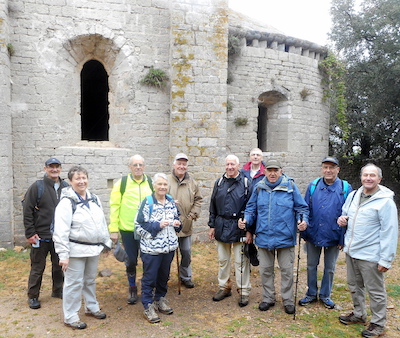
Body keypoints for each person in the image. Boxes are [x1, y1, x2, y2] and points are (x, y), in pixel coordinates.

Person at [239, 158, 308, 315]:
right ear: (265, 171)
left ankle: (288, 300)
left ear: (281, 171)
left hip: (285, 237)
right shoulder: (258, 187)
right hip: (264, 237)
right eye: (269, 170)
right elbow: (250, 209)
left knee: (287, 271)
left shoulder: (290, 186)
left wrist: (302, 220)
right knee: (265, 270)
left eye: (275, 170)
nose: (272, 173)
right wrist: (246, 219)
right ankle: (268, 298)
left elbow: (301, 208)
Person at [337, 163, 398, 337]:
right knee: (354, 285)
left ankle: (378, 323)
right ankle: (359, 314)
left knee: (375, 291)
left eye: (372, 175)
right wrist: (342, 220)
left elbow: (390, 231)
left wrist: (386, 259)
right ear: (361, 177)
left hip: (371, 255)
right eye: (365, 175)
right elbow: (345, 214)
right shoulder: (354, 195)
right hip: (352, 251)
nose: (368, 178)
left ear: (379, 179)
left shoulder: (385, 202)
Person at [53, 166, 112, 330]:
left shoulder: (94, 199)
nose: (81, 181)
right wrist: (63, 255)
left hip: (93, 249)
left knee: (90, 280)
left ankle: (91, 307)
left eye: (84, 178)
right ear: (71, 182)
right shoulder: (66, 203)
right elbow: (60, 231)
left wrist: (106, 243)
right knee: (73, 283)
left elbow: (101, 223)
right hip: (75, 251)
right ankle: (71, 316)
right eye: (77, 178)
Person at [299, 156, 353, 309]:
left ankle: (325, 295)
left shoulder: (345, 188)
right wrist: (304, 229)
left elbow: (350, 213)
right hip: (313, 233)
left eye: (331, 167)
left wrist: (343, 239)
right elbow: (305, 209)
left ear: (338, 170)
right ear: (322, 169)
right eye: (325, 167)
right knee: (311, 265)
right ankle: (311, 293)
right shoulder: (313, 186)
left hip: (334, 235)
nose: (328, 171)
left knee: (330, 268)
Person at [135, 173, 182, 324]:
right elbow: (138, 226)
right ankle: (148, 305)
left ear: (168, 187)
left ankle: (160, 299)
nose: (162, 187)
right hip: (151, 250)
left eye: (165, 185)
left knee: (164, 276)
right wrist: (157, 225)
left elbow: (177, 218)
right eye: (159, 184)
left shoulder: (170, 201)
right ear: (154, 186)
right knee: (149, 278)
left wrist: (177, 224)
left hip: (169, 248)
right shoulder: (147, 203)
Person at [23, 157, 68, 309]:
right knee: (37, 267)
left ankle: (57, 290)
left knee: (58, 265)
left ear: (60, 168)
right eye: (51, 167)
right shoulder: (38, 186)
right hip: (39, 236)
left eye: (57, 167)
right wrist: (30, 233)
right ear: (45, 169)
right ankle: (33, 296)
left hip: (59, 236)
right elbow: (27, 209)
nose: (54, 169)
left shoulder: (66, 187)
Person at [208, 154, 253, 307]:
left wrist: (249, 230)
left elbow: (251, 207)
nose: (230, 167)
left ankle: (244, 290)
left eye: (232, 164)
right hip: (221, 225)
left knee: (241, 262)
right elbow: (213, 205)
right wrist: (212, 226)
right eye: (227, 164)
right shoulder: (219, 182)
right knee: (223, 260)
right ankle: (224, 287)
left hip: (239, 227)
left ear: (238, 165)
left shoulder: (246, 183)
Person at [109, 155, 153, 304]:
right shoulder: (121, 183)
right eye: (135, 165)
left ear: (144, 166)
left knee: (148, 260)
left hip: (146, 229)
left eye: (141, 164)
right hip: (128, 229)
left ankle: (147, 286)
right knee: (131, 260)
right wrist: (113, 229)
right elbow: (114, 206)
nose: (138, 167)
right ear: (130, 167)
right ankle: (132, 287)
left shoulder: (151, 183)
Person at [168, 153, 203, 288]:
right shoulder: (166, 180)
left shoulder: (192, 183)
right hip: (169, 226)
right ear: (174, 165)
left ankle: (185, 276)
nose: (181, 166)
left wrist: (193, 214)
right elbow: (158, 198)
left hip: (186, 225)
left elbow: (198, 200)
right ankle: (164, 276)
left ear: (187, 166)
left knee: (186, 252)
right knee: (168, 255)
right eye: (179, 163)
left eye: (184, 164)